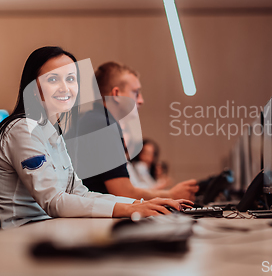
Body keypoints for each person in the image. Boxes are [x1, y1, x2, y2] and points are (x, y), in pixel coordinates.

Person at [0, 47, 185, 229]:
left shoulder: (51, 131)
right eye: (53, 79)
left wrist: (137, 204)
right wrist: (127, 210)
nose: (65, 87)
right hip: (20, 235)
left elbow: (77, 191)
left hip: (44, 227)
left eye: (71, 79)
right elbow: (54, 202)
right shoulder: (23, 130)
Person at [77, 62, 199, 200]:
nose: (141, 100)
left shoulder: (92, 120)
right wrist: (171, 195)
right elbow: (124, 192)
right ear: (116, 94)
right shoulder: (103, 125)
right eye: (136, 92)